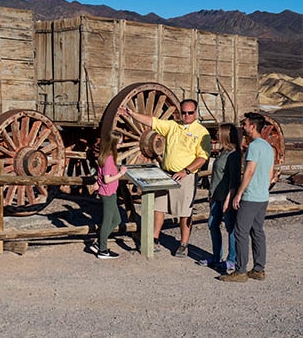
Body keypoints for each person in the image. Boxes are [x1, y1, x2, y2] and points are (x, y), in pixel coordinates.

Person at [118, 99, 211, 257]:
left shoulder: (202, 133)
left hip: (185, 176)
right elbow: (152, 122)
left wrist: (186, 171)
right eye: (183, 112)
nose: (186, 115)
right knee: (158, 208)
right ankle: (154, 239)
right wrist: (132, 114)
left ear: (196, 113)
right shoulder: (173, 126)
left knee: (184, 212)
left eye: (190, 112)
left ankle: (183, 244)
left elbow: (203, 157)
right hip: (166, 174)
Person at [220, 112, 274, 282]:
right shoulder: (267, 147)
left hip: (251, 197)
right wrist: (263, 188)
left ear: (252, 126)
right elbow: (270, 172)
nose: (243, 127)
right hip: (262, 195)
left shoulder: (254, 146)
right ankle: (259, 269)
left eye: (245, 123)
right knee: (257, 231)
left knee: (241, 231)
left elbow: (249, 171)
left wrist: (239, 193)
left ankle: (240, 270)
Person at [198, 123, 241, 271]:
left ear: (225, 135)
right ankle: (217, 257)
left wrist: (229, 199)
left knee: (230, 227)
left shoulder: (233, 155)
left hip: (225, 197)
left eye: (218, 132)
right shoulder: (223, 153)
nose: (216, 135)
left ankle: (232, 259)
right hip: (216, 196)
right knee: (212, 224)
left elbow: (234, 180)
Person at [90, 130, 128, 259]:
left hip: (109, 192)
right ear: (113, 143)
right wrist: (121, 173)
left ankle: (99, 243)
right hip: (108, 193)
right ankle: (103, 250)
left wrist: (97, 182)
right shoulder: (109, 159)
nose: (121, 145)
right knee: (107, 221)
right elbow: (107, 178)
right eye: (120, 143)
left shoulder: (105, 156)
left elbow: (100, 175)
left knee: (117, 220)